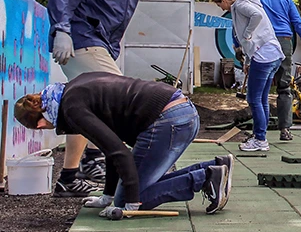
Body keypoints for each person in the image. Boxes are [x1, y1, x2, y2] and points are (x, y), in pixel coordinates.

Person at [47, 0, 173, 197]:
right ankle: (134, 179)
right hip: (81, 37)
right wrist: (62, 29)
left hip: (101, 41)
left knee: (84, 105)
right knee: (121, 103)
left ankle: (73, 173)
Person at [14, 72, 232, 215]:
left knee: (134, 197)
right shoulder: (71, 89)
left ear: (40, 121)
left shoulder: (72, 110)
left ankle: (206, 178)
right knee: (134, 186)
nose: (44, 128)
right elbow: (111, 147)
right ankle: (213, 168)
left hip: (166, 121)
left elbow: (119, 152)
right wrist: (106, 196)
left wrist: (129, 202)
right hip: (182, 112)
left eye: (38, 126)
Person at [212, 0, 284, 151]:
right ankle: (261, 136)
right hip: (272, 55)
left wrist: (247, 35)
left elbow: (256, 17)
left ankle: (260, 140)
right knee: (262, 99)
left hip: (264, 55)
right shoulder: (245, 3)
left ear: (224, 0)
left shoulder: (241, 4)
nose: (220, 8)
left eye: (219, 4)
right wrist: (248, 61)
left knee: (253, 99)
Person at [255, 0, 301, 141]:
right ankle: (285, 130)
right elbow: (297, 22)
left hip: (263, 42)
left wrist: (238, 46)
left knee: (259, 90)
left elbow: (240, 22)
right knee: (284, 87)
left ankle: (259, 132)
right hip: (284, 42)